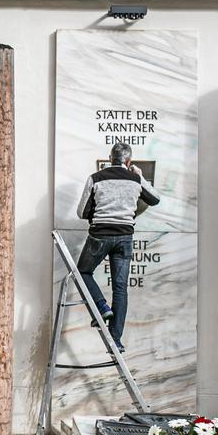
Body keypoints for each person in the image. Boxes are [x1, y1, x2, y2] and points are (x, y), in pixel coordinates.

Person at [74, 142, 160, 352]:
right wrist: (139, 175)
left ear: (109, 158)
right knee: (120, 288)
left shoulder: (96, 178)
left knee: (83, 272)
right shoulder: (135, 178)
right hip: (124, 238)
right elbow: (155, 198)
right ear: (128, 161)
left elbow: (82, 212)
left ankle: (101, 306)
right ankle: (116, 340)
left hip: (100, 236)